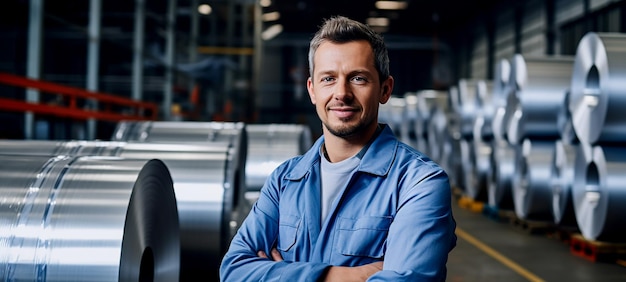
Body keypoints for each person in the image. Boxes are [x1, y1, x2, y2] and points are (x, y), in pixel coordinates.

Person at [220, 15, 456, 281]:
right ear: (312, 90)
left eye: (358, 78)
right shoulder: (284, 180)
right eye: (328, 79)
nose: (341, 93)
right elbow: (234, 271)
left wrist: (280, 272)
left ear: (385, 90)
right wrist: (346, 276)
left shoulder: (419, 183)